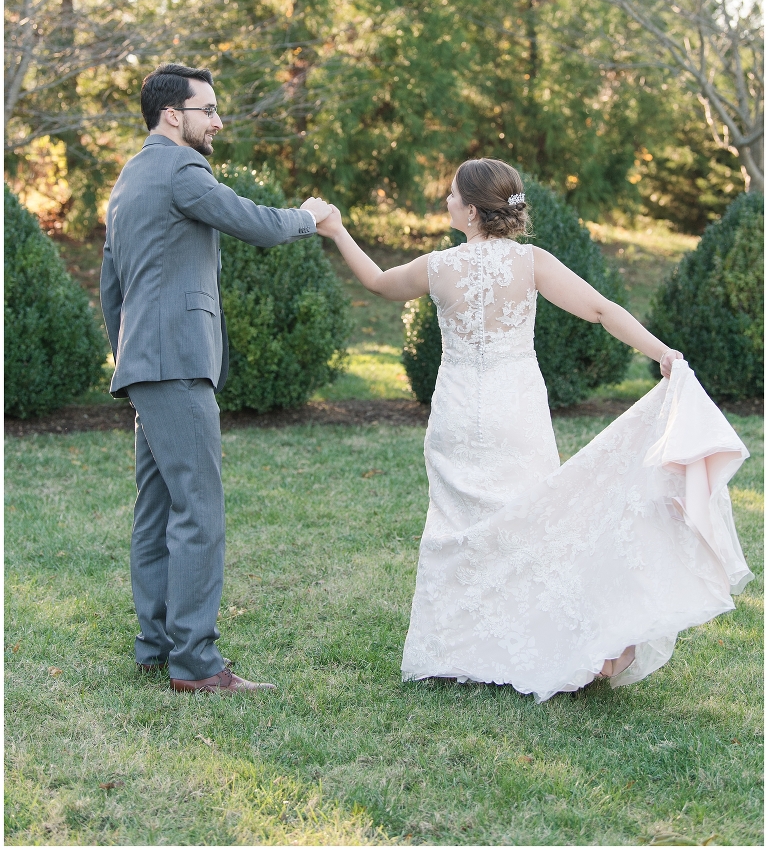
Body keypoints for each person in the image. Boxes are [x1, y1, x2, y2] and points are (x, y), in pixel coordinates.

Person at [315, 158, 752, 702]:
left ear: (472, 210)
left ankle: (454, 652)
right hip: (515, 408)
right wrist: (661, 353)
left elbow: (379, 284)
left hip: (457, 411)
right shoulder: (531, 263)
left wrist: (335, 228)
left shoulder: (438, 267)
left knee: (458, 526)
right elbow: (598, 308)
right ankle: (535, 642)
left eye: (452, 195)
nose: (445, 200)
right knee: (531, 520)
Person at [100, 63, 332, 695]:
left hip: (144, 363)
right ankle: (197, 664)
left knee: (156, 511)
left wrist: (130, 358)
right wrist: (310, 217)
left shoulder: (128, 178)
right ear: (173, 115)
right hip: (175, 362)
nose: (219, 121)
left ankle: (156, 646)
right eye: (209, 110)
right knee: (198, 510)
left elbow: (111, 289)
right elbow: (253, 223)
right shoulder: (182, 170)